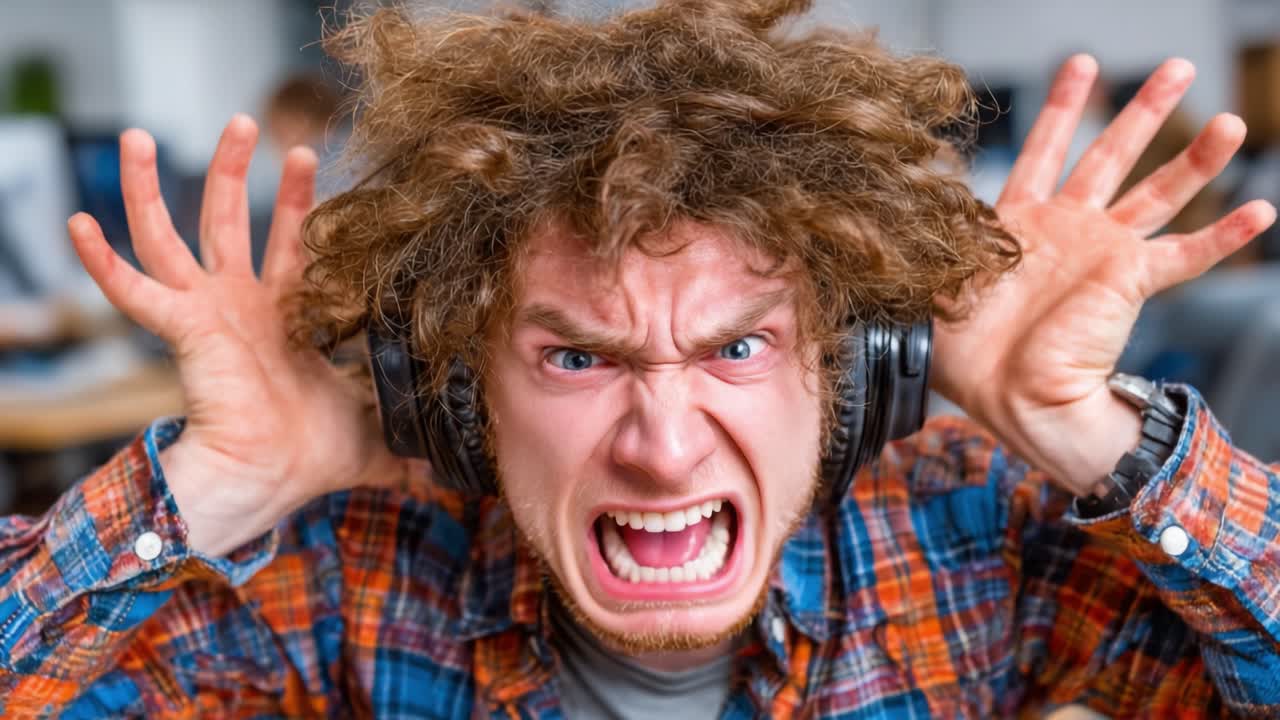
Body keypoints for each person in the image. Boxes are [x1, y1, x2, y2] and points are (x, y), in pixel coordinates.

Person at [2, 1, 1278, 717]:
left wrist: (1077, 427)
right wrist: (217, 484)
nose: (662, 451)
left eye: (737, 345)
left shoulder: (969, 542)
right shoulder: (348, 578)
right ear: (454, 398)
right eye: (574, 359)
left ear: (851, 376)